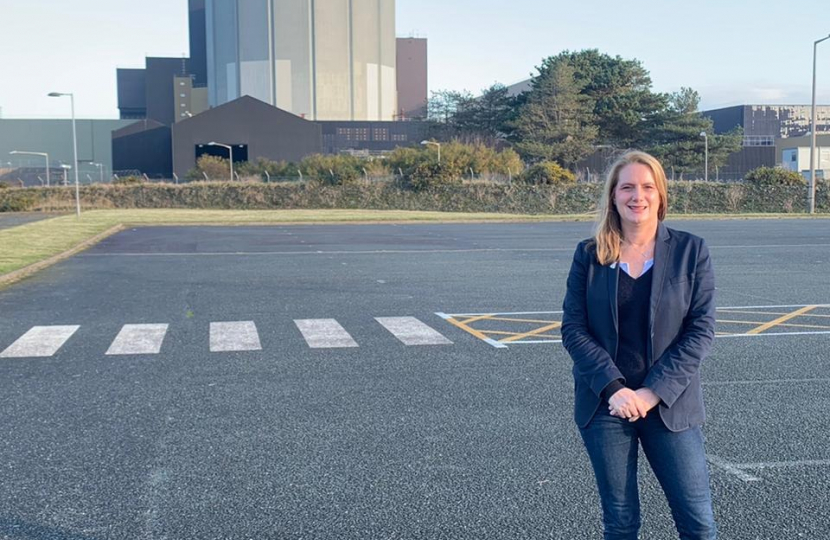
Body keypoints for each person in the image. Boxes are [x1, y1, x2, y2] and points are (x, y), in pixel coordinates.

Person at [561, 150, 718, 539]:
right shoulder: (590, 254)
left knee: (698, 523)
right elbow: (574, 329)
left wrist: (651, 392)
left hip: (670, 404)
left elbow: (700, 330)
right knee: (621, 521)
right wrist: (615, 389)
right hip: (606, 405)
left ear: (661, 195)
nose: (638, 196)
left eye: (648, 187)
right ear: (613, 196)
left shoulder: (690, 251)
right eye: (627, 187)